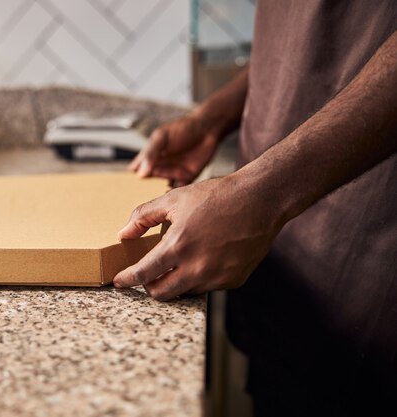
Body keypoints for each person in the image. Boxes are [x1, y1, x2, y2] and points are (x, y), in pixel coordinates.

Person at [113, 2, 397, 415]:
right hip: (277, 274)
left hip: (364, 259)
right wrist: (214, 118)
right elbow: (305, 36)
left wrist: (264, 193)